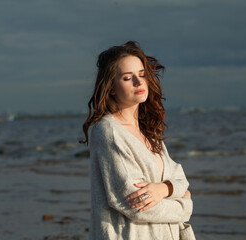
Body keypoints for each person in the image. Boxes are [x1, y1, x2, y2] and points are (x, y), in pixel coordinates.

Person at [82, 41, 195, 240]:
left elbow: (181, 179)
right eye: (127, 78)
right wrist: (184, 207)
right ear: (111, 88)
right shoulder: (108, 131)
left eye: (141, 74)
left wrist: (164, 188)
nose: (138, 82)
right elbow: (135, 204)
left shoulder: (147, 131)